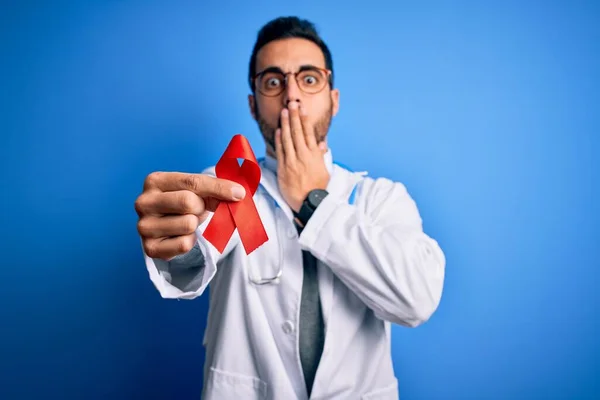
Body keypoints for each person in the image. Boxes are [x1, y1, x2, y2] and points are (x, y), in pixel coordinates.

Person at [135, 16, 446, 400]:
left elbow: (416, 300)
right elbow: (193, 258)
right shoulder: (228, 187)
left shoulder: (380, 199)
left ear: (334, 99)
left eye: (309, 78)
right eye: (273, 81)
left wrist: (312, 200)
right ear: (253, 105)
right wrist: (175, 240)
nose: (291, 96)